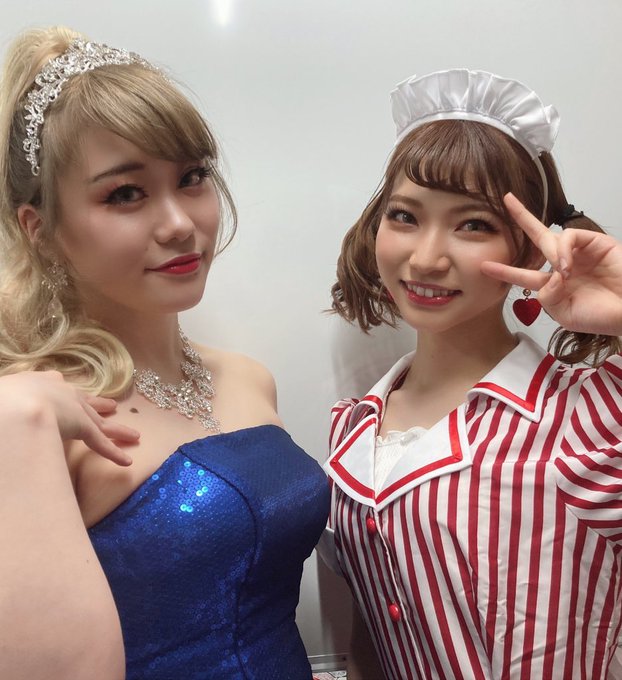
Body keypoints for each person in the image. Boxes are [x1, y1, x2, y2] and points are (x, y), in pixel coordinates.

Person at [0, 26, 330, 680]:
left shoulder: (247, 378)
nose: (180, 223)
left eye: (192, 177)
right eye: (125, 193)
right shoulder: (38, 421)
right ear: (40, 230)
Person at [325, 68, 622, 679]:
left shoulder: (590, 417)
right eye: (405, 216)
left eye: (473, 225)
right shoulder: (349, 433)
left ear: (530, 249)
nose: (426, 258)